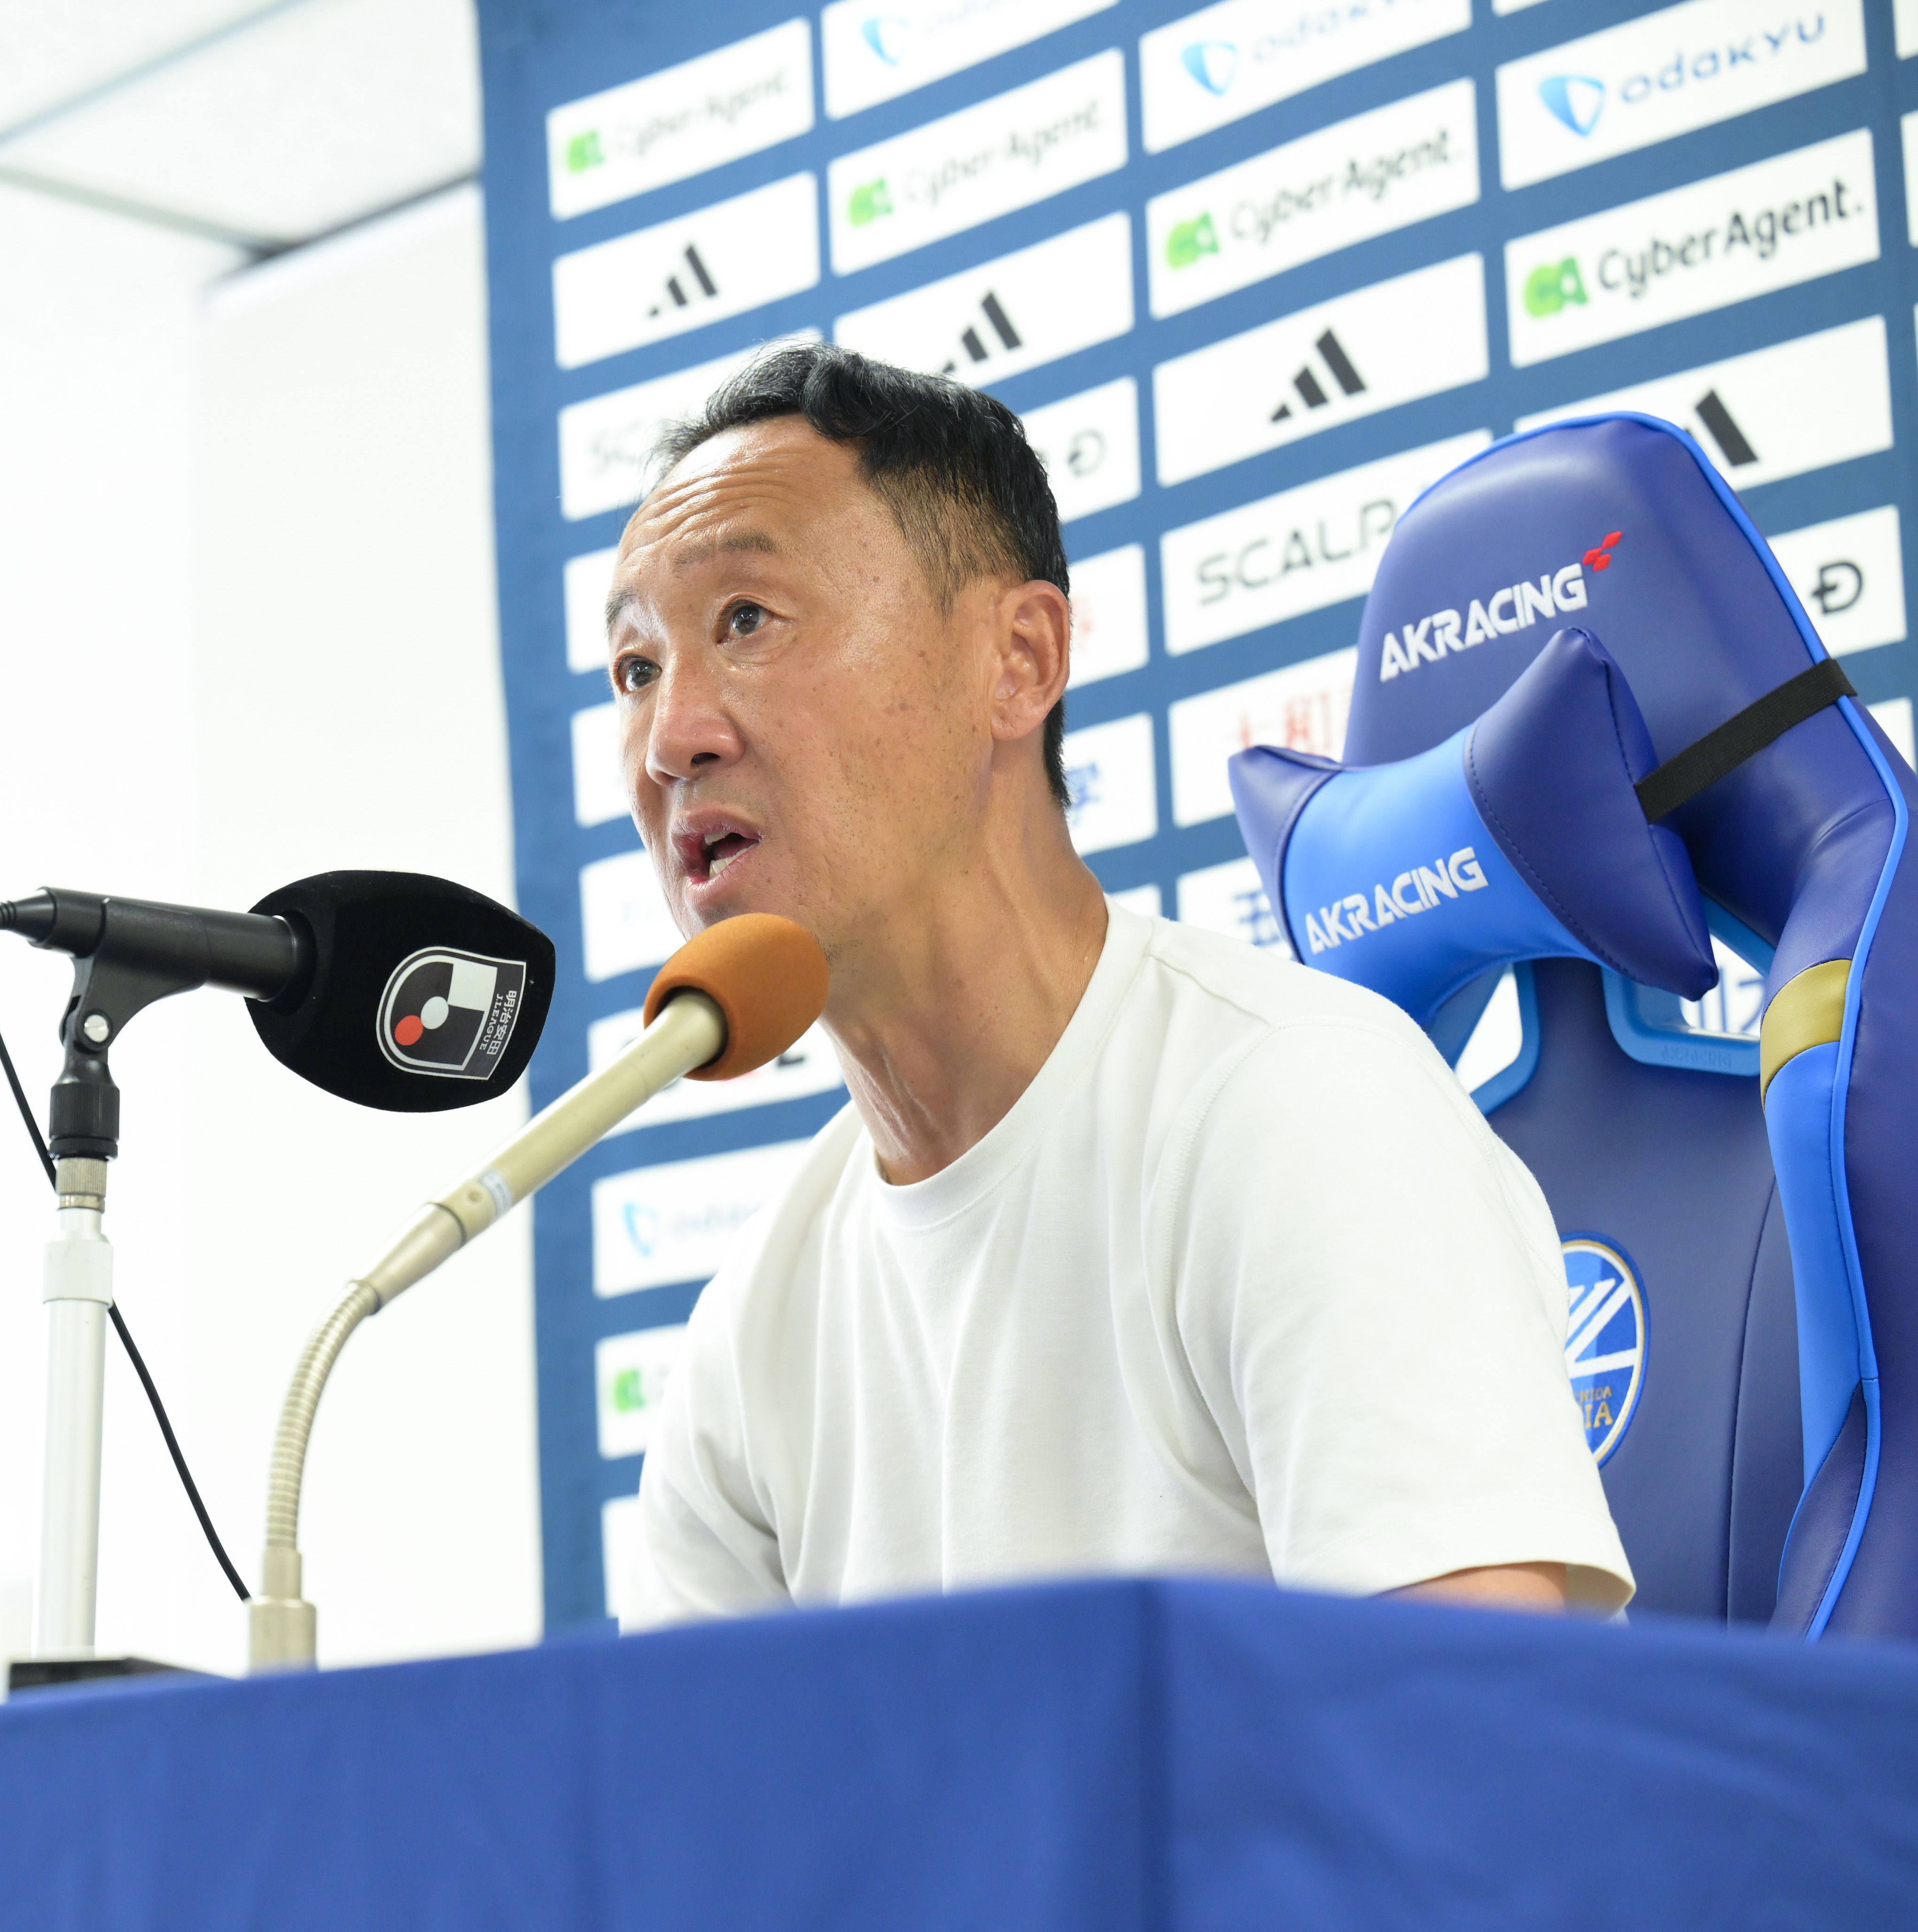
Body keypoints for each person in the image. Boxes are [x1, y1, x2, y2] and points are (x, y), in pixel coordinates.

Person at [604, 342, 1632, 1625]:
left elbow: (1466, 1719)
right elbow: (688, 1768)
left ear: (1018, 659)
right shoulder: (750, 1333)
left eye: (747, 621)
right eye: (637, 669)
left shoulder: (1296, 1108)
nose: (671, 737)